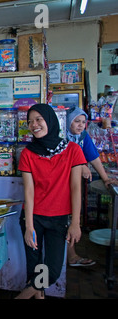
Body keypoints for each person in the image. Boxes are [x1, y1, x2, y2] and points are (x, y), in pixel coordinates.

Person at [16, 103, 86, 299]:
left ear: (50, 120)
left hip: (58, 219)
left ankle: (22, 296)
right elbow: (29, 192)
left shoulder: (73, 150)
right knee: (35, 267)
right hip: (33, 217)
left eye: (39, 119)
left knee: (52, 270)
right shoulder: (28, 154)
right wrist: (29, 226)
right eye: (30, 121)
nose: (34, 124)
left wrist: (75, 223)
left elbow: (75, 189)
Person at [65, 106, 114, 267]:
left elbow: (94, 157)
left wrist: (106, 179)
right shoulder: (61, 136)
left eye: (83, 122)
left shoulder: (83, 136)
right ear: (67, 122)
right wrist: (80, 165)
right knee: (67, 218)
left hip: (73, 185)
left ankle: (71, 255)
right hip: (61, 185)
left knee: (72, 217)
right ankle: (71, 256)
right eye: (76, 121)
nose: (80, 125)